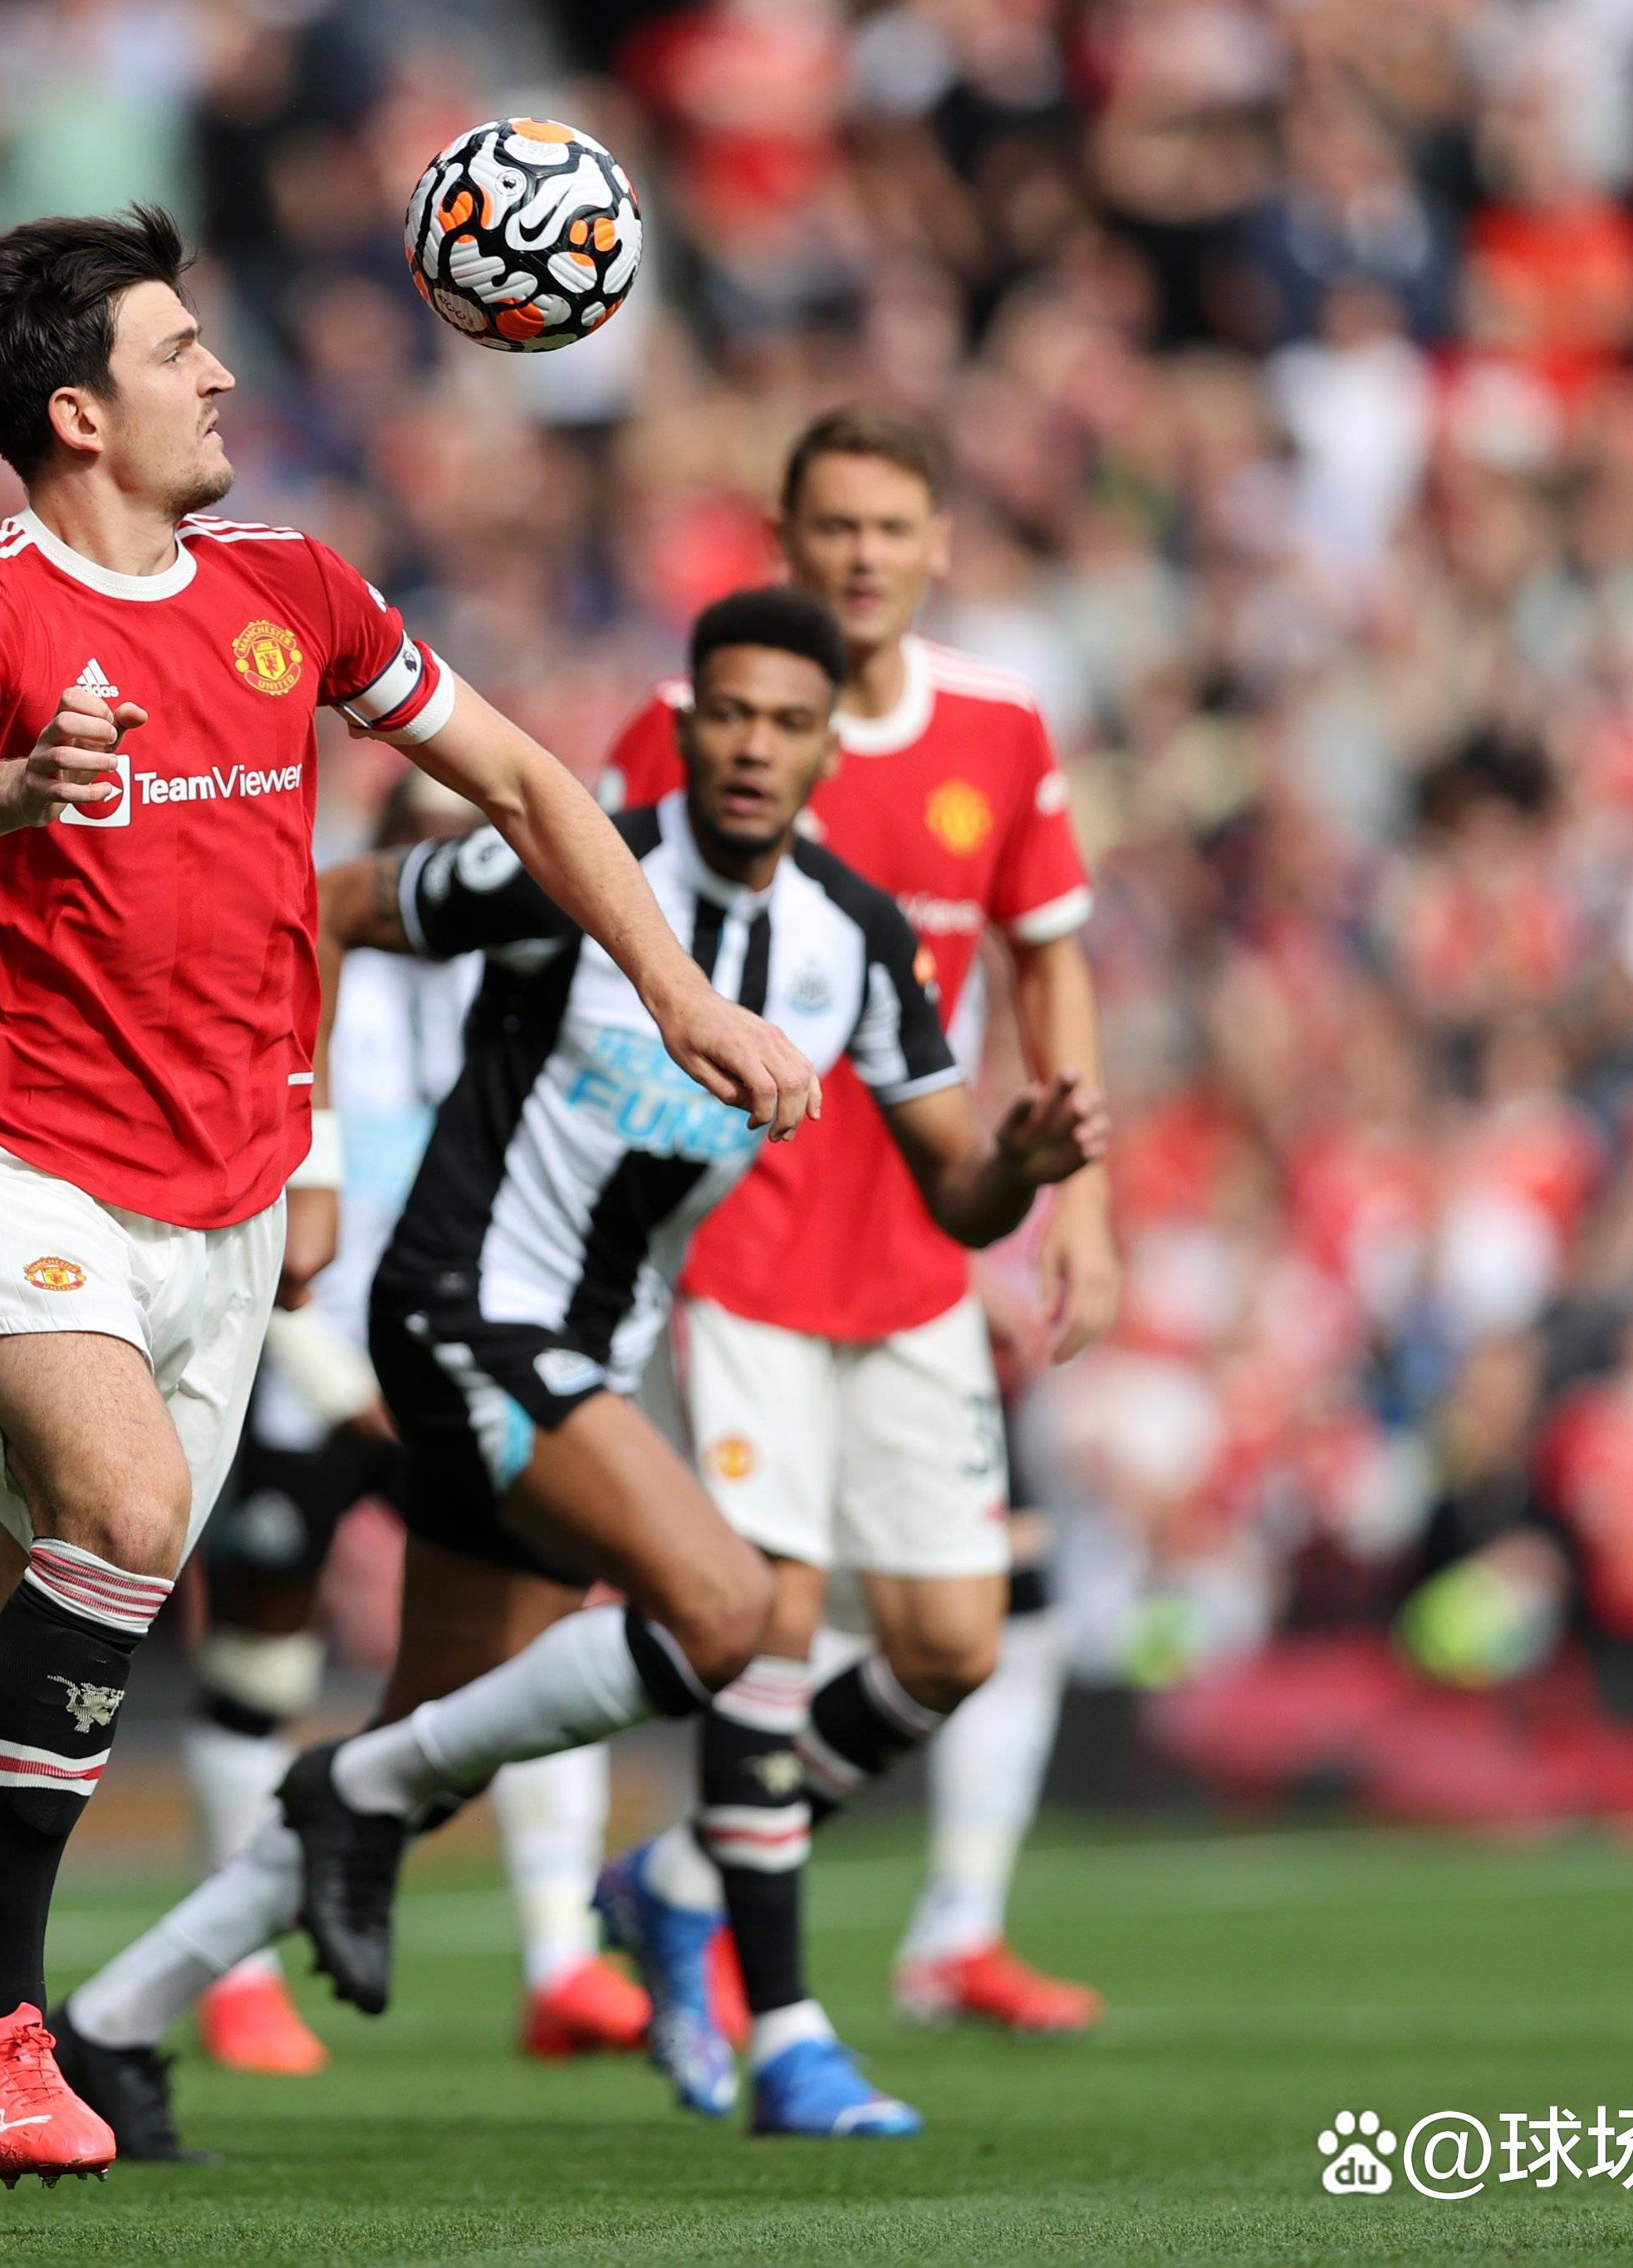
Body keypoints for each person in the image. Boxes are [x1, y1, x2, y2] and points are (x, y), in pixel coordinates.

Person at [0, 205, 814, 2187]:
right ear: (76, 410)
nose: (218, 374)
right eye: (175, 350)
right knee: (129, 1522)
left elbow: (529, 784)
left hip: (220, 1209)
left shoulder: (291, 588)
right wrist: (17, 787)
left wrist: (676, 997)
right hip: (15, 1152)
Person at [51, 587, 1105, 2153]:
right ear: (684, 725)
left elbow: (956, 1189)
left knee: (431, 1745)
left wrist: (1020, 1170)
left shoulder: (853, 944)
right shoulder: (579, 869)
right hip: (464, 1307)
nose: (752, 746)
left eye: (787, 722)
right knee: (735, 1611)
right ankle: (402, 1828)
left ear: (828, 750)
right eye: (728, 714)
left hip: (588, 1351)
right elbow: (337, 905)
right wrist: (316, 1152)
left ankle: (114, 2021)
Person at [596, 410, 1120, 2101]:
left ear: (937, 540)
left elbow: (1045, 969)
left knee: (955, 1643)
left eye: (893, 526)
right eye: (833, 526)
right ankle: (786, 2023)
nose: (864, 557)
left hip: (915, 1239)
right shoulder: (694, 731)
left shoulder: (997, 729)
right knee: (772, 1621)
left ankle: (675, 1883)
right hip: (738, 1232)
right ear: (784, 536)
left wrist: (1080, 1206)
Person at [180, 773, 650, 2079]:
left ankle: (560, 1960)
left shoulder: (528, 1004)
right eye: (430, 862)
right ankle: (238, 1979)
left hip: (457, 1360)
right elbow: (249, 1198)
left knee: (538, 1643)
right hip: (313, 1375)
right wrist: (338, 1378)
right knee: (259, 1665)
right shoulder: (306, 989)